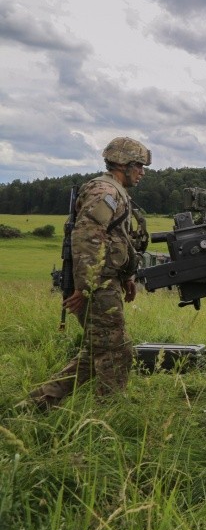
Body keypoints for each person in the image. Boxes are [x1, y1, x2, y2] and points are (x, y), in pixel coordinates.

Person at [24, 136, 151, 411]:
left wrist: (127, 276)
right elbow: (87, 238)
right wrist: (84, 288)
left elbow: (117, 240)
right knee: (116, 351)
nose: (142, 172)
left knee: (97, 350)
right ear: (123, 164)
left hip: (104, 281)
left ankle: (38, 404)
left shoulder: (115, 191)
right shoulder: (104, 192)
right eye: (139, 165)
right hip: (97, 285)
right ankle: (109, 414)